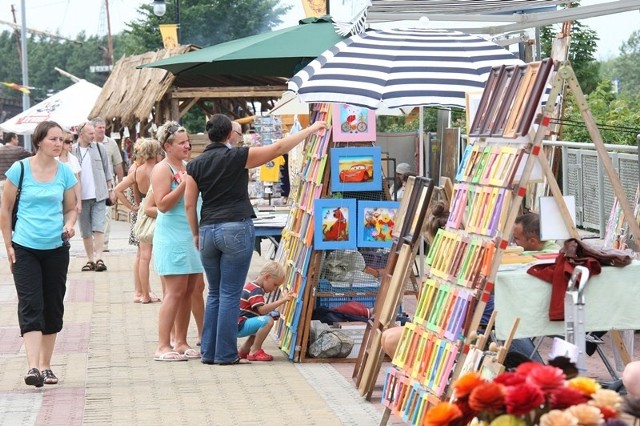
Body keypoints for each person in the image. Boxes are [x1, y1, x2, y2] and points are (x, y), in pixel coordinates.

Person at [185, 114, 326, 365]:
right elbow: (279, 148)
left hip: (207, 229)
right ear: (229, 134)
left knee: (215, 293)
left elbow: (189, 204)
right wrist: (312, 129)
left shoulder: (195, 165)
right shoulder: (237, 157)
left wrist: (196, 232)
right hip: (235, 227)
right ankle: (226, 354)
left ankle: (209, 351)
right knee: (229, 293)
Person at [0, 121, 77, 387]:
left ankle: (46, 366)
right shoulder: (19, 170)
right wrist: (8, 245)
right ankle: (32, 366)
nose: (59, 144)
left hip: (56, 248)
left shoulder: (65, 172)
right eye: (54, 139)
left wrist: (69, 224)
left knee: (53, 306)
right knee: (31, 304)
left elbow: (71, 208)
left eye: (62, 140)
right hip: (25, 247)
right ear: (39, 141)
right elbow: (6, 209)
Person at [151, 121, 204, 362]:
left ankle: (181, 341)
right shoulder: (163, 169)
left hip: (190, 234)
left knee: (190, 290)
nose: (187, 145)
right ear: (167, 146)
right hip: (172, 237)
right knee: (174, 291)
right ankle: (163, 344)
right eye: (181, 142)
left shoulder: (186, 166)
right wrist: (183, 183)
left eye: (187, 141)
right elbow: (161, 204)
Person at [114, 138, 162, 304]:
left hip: (142, 214)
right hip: (158, 213)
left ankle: (144, 295)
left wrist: (132, 207)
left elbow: (117, 190)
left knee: (143, 256)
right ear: (156, 153)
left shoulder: (137, 171)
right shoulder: (160, 170)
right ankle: (157, 292)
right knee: (159, 254)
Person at [72, 122, 115, 272]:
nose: (93, 135)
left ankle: (99, 258)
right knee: (85, 230)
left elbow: (107, 171)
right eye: (90, 133)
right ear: (81, 134)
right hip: (80, 198)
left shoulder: (99, 148)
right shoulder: (72, 151)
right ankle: (90, 259)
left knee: (99, 227)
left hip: (99, 195)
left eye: (93, 133)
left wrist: (111, 190)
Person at [237, 261, 292, 362]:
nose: (274, 289)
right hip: (240, 324)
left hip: (240, 323)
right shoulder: (256, 290)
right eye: (275, 285)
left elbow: (257, 311)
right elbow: (262, 310)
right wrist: (282, 300)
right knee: (267, 321)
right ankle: (255, 351)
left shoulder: (252, 286)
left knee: (262, 325)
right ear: (267, 277)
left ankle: (244, 350)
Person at [92, 118, 124, 253]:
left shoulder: (111, 144)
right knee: (92, 215)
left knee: (105, 214)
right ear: (93, 128)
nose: (101, 130)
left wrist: (120, 184)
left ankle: (103, 244)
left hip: (107, 185)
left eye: (103, 127)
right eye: (99, 127)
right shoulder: (88, 144)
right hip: (91, 185)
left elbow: (118, 164)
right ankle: (93, 242)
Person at [57, 131, 82, 214]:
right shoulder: (53, 159)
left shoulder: (74, 159)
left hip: (70, 198)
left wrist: (79, 201)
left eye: (72, 142)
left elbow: (77, 182)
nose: (71, 144)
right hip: (56, 197)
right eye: (68, 142)